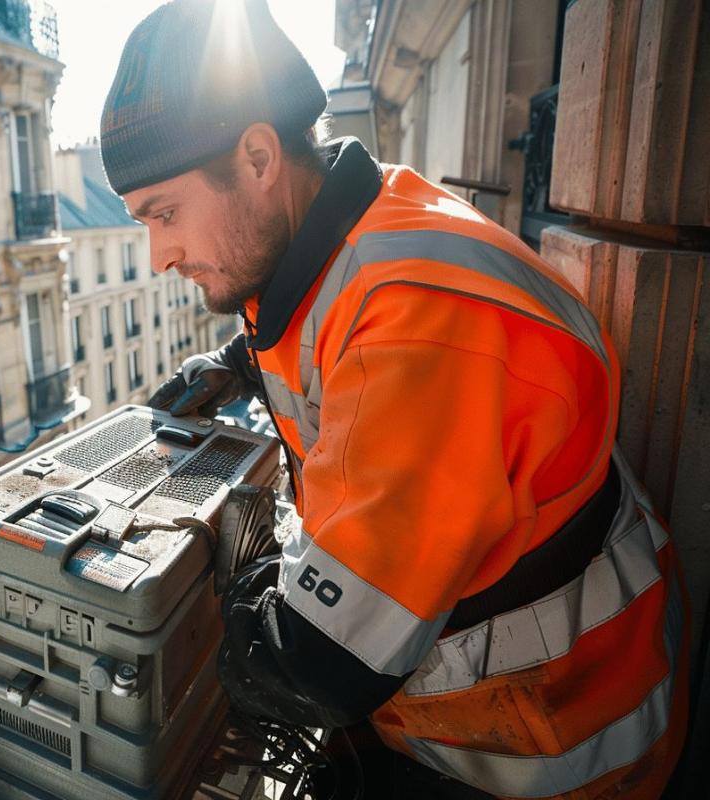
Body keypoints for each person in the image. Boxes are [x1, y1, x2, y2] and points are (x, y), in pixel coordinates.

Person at [99, 1, 689, 798]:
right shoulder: (363, 225)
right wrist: (235, 365)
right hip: (480, 705)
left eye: (163, 214)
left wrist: (187, 602)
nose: (160, 253)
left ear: (259, 156)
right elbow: (317, 322)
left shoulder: (420, 328)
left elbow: (320, 665)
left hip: (552, 752)